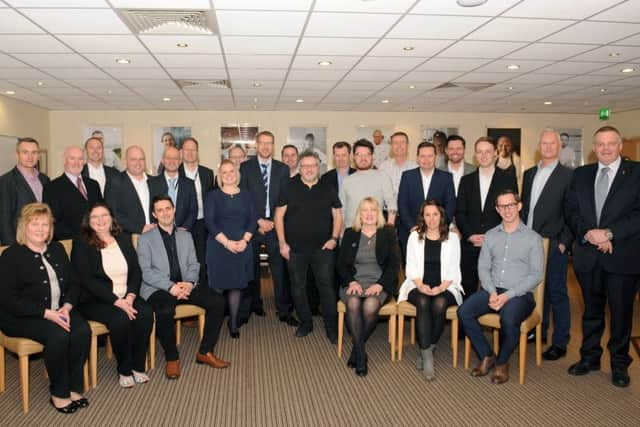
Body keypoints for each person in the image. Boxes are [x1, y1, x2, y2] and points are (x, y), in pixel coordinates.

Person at [565, 125, 640, 388]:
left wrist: (609, 234)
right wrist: (589, 234)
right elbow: (571, 210)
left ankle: (620, 364)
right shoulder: (582, 174)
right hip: (588, 255)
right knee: (591, 312)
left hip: (623, 256)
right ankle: (590, 357)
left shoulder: (636, 173)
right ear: (594, 148)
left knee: (621, 313)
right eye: (600, 144)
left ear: (621, 146)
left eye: (611, 143)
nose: (605, 148)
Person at [0, 203, 90, 413]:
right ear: (25, 226)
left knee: (81, 330)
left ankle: (74, 387)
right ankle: (59, 393)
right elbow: (8, 299)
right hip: (21, 316)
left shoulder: (57, 249)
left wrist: (67, 307)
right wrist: (47, 313)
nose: (41, 229)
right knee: (58, 335)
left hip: (59, 309)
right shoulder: (11, 256)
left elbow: (73, 283)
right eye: (35, 224)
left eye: (45, 224)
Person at [138, 195, 229, 380]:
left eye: (168, 208)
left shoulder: (185, 235)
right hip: (158, 288)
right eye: (160, 210)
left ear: (174, 210)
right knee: (164, 310)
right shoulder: (145, 239)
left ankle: (205, 352)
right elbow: (146, 272)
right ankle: (172, 358)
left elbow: (194, 264)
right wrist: (171, 287)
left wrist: (189, 283)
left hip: (185, 285)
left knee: (218, 302)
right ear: (154, 215)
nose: (165, 213)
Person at [458, 190, 544, 384]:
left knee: (509, 318)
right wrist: (492, 291)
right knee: (464, 311)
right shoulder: (490, 236)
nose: (507, 210)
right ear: (497, 209)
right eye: (502, 206)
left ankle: (502, 362)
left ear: (519, 206)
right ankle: (487, 355)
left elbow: (536, 275)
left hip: (520, 294)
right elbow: (483, 267)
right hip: (492, 289)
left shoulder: (533, 238)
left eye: (511, 205)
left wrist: (508, 296)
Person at [71, 202, 153, 388]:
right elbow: (86, 280)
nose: (100, 220)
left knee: (146, 313)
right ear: (88, 221)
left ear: (111, 218)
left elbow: (136, 271)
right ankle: (124, 369)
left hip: (126, 294)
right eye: (95, 217)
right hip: (96, 299)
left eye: (104, 215)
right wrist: (117, 301)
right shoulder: (81, 243)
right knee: (120, 319)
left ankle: (138, 365)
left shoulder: (123, 238)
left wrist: (131, 296)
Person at [275, 151, 342, 342]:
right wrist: (282, 243)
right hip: (295, 249)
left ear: (319, 166)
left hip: (323, 248)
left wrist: (334, 238)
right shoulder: (288, 187)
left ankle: (331, 327)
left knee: (327, 287)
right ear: (300, 167)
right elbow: (278, 216)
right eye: (305, 166)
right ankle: (306, 323)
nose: (309, 169)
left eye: (313, 165)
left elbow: (338, 214)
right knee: (298, 287)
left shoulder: (328, 188)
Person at [521, 129, 574, 361]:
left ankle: (560, 341)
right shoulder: (530, 173)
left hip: (553, 243)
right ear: (539, 146)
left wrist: (564, 242)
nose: (548, 147)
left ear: (559, 147)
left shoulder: (569, 176)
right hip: (529, 242)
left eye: (552, 143)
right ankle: (538, 331)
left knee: (556, 291)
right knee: (533, 289)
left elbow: (573, 212)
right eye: (544, 143)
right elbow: (526, 208)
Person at [397, 201, 464, 380]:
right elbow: (410, 267)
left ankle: (426, 349)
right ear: (422, 217)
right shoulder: (414, 237)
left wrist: (442, 287)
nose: (431, 219)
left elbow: (454, 268)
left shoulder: (452, 237)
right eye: (427, 215)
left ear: (441, 216)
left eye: (435, 214)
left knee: (440, 303)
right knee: (423, 301)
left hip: (446, 285)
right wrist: (420, 286)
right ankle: (428, 356)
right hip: (417, 283)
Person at [337, 197, 400, 377]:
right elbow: (341, 264)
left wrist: (380, 285)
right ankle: (361, 356)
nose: (369, 214)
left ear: (378, 213)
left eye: (373, 210)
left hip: (379, 283)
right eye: (365, 210)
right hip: (354, 282)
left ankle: (357, 349)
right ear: (360, 214)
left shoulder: (388, 233)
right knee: (354, 303)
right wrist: (351, 281)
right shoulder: (350, 233)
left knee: (370, 305)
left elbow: (394, 265)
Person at [239, 131, 297, 326]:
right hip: (252, 227)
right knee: (251, 268)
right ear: (257, 145)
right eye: (262, 143)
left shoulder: (282, 169)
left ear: (273, 145)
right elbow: (244, 199)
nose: (265, 147)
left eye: (269, 143)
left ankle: (284, 310)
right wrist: (258, 221)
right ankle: (254, 305)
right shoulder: (245, 168)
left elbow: (285, 199)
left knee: (279, 269)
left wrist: (272, 220)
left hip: (275, 225)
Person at [456, 137, 518, 298]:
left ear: (496, 154)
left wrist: (492, 237)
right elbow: (460, 212)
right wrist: (470, 235)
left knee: (494, 292)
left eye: (488, 151)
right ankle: (467, 324)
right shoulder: (466, 181)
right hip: (470, 245)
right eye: (479, 152)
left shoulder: (507, 178)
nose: (483, 155)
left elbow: (511, 212)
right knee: (467, 291)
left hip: (498, 246)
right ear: (475, 155)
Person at [205, 160, 256, 339]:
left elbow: (252, 220)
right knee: (218, 289)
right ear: (220, 176)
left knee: (236, 287)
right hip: (219, 248)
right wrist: (227, 243)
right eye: (224, 172)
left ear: (237, 173)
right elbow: (210, 222)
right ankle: (215, 323)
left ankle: (233, 323)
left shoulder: (247, 195)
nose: (228, 174)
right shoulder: (213, 196)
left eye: (231, 171)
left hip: (242, 247)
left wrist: (244, 241)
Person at [398, 142, 456, 256]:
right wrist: (412, 227)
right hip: (412, 231)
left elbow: (450, 205)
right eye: (422, 156)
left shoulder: (446, 177)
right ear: (417, 158)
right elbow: (402, 204)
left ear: (436, 157)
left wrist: (441, 226)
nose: (426, 159)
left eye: (430, 156)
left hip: (438, 232)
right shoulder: (407, 176)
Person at [43, 145, 102, 240]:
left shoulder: (93, 185)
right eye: (72, 158)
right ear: (64, 160)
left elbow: (102, 212)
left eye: (80, 159)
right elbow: (53, 221)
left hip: (97, 240)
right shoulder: (52, 187)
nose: (76, 163)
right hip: (70, 244)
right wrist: (79, 239)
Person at [179, 137, 216, 287]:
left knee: (202, 261)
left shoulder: (207, 173)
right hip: (182, 225)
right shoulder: (176, 172)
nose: (190, 153)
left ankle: (204, 292)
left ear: (197, 152)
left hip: (203, 224)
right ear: (181, 152)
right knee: (184, 261)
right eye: (187, 149)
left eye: (193, 149)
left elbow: (212, 199)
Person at [0, 137, 50, 245]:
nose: (30, 157)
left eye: (34, 152)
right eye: (25, 152)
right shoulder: (6, 181)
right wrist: (11, 248)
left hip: (42, 241)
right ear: (17, 155)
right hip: (19, 243)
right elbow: (4, 220)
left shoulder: (44, 179)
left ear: (38, 155)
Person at [340, 139, 397, 230]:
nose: (363, 158)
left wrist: (389, 229)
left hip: (376, 232)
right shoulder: (347, 181)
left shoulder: (382, 176)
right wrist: (342, 232)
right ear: (353, 157)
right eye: (359, 154)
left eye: (367, 154)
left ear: (372, 156)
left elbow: (391, 204)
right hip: (351, 232)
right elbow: (342, 210)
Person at [106, 146, 155, 235]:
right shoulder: (114, 182)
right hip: (129, 237)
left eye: (141, 159)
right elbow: (112, 212)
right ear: (125, 161)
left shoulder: (154, 182)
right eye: (133, 159)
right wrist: (140, 228)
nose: (138, 163)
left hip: (155, 234)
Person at [148, 146, 197, 232]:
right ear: (163, 160)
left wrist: (184, 229)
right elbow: (151, 209)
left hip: (183, 233)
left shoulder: (189, 184)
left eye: (175, 158)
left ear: (180, 161)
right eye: (168, 158)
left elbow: (193, 211)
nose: (172, 161)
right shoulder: (152, 183)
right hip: (159, 233)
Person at [378, 131, 417, 201]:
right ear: (391, 146)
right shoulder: (383, 167)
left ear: (407, 145)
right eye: (395, 143)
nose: (399, 146)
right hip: (387, 210)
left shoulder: (416, 167)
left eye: (402, 142)